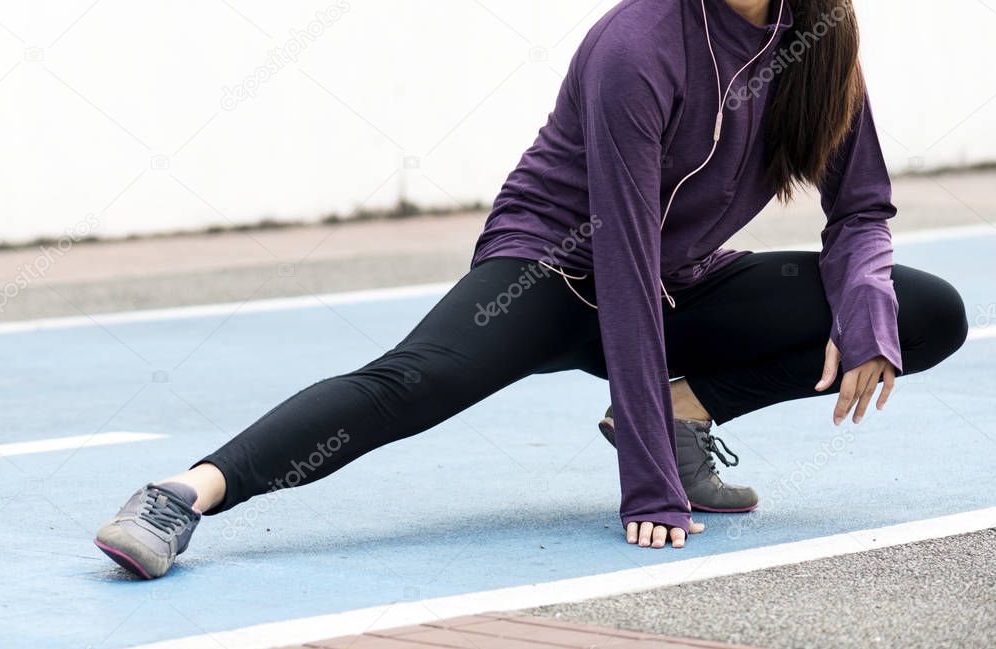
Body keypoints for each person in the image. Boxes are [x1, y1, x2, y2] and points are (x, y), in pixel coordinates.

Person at [94, 0, 968, 579]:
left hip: (678, 282)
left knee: (919, 311)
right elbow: (620, 257)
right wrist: (649, 484)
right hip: (550, 270)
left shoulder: (819, 40)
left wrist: (864, 316)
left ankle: (677, 407)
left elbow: (862, 209)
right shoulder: (639, 44)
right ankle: (183, 492)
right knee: (415, 379)